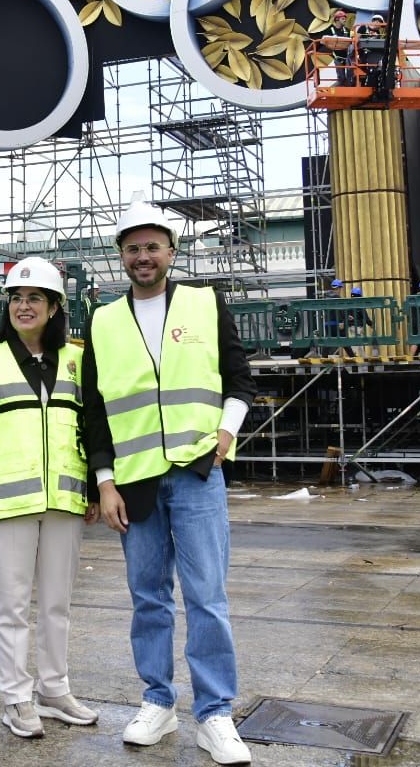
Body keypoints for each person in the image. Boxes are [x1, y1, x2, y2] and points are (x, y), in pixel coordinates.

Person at [80, 201, 255, 766]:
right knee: (147, 597)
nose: (143, 257)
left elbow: (239, 379)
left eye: (152, 246)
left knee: (208, 595)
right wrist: (104, 482)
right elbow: (95, 411)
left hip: (198, 470)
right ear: (121, 256)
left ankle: (215, 713)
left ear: (171, 251)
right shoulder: (103, 320)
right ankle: (157, 701)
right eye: (132, 248)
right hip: (135, 481)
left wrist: (226, 434)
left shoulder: (205, 303)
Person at [0, 257, 99, 740]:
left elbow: (93, 425)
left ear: (55, 307)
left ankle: (54, 690)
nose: (23, 306)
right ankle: (17, 697)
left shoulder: (78, 361)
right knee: (11, 606)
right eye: (16, 298)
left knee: (57, 602)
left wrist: (98, 487)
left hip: (65, 498)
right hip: (6, 501)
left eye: (34, 298)